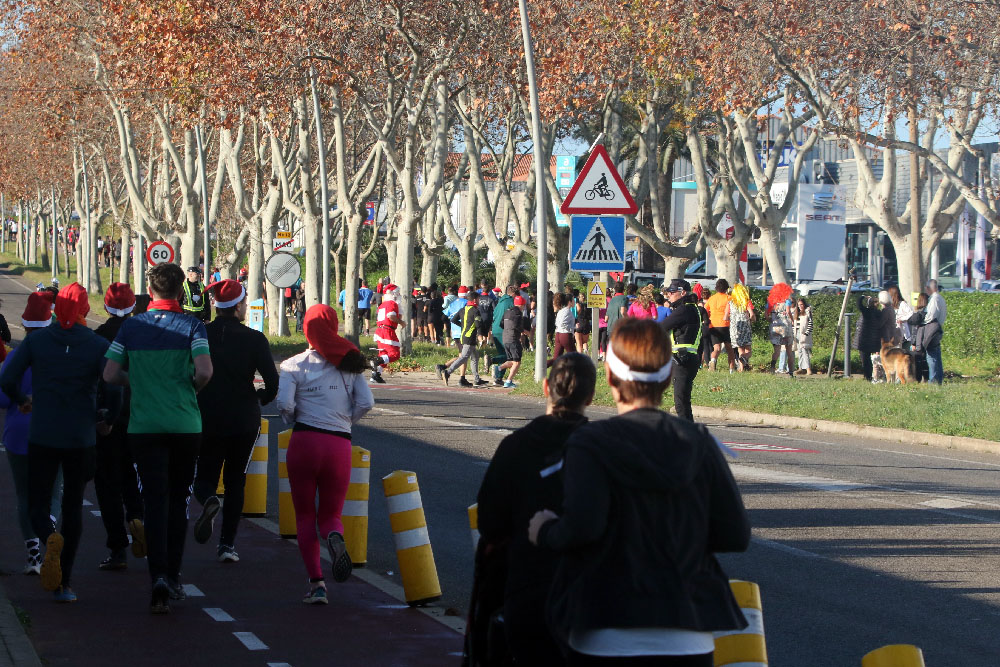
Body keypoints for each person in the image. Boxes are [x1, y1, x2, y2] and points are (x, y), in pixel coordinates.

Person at [527, 318, 751, 665]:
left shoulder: (591, 442)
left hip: (606, 626)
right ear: (667, 378)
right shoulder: (699, 442)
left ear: (612, 379)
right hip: (688, 633)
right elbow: (735, 534)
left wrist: (545, 531)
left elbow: (583, 527)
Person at [103, 263, 213, 614]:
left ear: (150, 292)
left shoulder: (132, 326)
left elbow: (109, 373)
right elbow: (205, 371)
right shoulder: (193, 326)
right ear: (181, 292)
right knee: (178, 499)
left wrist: (136, 382)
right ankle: (174, 575)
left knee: (153, 500)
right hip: (184, 424)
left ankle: (157, 577)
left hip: (144, 426)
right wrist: (188, 389)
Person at [0, 284, 120, 604]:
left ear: (56, 310)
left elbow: (6, 378)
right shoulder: (97, 344)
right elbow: (116, 384)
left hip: (43, 434)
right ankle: (65, 583)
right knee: (72, 507)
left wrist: (21, 399)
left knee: (38, 503)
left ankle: (48, 538)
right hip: (81, 437)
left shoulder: (38, 342)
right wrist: (107, 417)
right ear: (84, 310)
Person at [473, 353, 596, 664]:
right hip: (586, 596)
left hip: (525, 588)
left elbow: (490, 521)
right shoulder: (600, 448)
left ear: (545, 388)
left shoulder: (516, 446)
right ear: (591, 396)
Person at [278, 305, 374, 604]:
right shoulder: (350, 363)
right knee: (331, 514)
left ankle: (317, 584)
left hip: (304, 441)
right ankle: (334, 536)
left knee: (304, 515)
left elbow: (284, 404)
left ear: (306, 329)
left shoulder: (293, 364)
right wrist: (346, 421)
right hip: (338, 445)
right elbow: (366, 402)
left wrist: (294, 416)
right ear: (334, 327)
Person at [192, 279, 279, 563]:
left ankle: (208, 500)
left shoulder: (201, 334)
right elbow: (272, 380)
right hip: (244, 418)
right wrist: (262, 397)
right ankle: (227, 545)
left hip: (207, 416)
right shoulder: (254, 339)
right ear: (240, 306)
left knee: (203, 477)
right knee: (236, 481)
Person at [0, 292, 63, 577]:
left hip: (18, 433)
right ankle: (49, 531)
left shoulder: (14, 356)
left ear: (24, 325)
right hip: (53, 430)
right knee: (53, 491)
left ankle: (34, 555)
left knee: (24, 495)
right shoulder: (61, 354)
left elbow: (2, 397)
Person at [93, 283, 146, 571]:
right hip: (140, 415)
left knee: (107, 483)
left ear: (106, 306)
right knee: (132, 475)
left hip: (108, 418)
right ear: (133, 307)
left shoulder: (99, 337)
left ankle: (117, 546)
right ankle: (137, 516)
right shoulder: (142, 335)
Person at [659, 279, 705, 422]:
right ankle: (689, 431)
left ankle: (688, 433)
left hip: (682, 360)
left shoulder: (684, 310)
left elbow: (662, 327)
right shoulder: (692, 308)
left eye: (672, 292)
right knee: (683, 399)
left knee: (680, 401)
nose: (668, 295)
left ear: (682, 292)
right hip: (688, 357)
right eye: (667, 293)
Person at [439, 293, 486, 387]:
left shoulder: (462, 310)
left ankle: (477, 379)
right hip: (470, 337)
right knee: (464, 357)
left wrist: (463, 326)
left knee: (475, 357)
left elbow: (453, 320)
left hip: (464, 336)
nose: (479, 301)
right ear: (474, 300)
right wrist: (481, 336)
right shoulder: (475, 311)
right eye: (478, 299)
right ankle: (447, 372)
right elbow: (478, 325)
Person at [856, 292, 895, 382]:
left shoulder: (866, 312)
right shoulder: (879, 313)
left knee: (865, 360)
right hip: (873, 340)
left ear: (868, 304)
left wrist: (862, 297)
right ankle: (871, 377)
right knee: (870, 359)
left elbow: (859, 304)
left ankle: (868, 377)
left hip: (864, 339)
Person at [370, 284, 404, 384]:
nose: (399, 295)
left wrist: (399, 312)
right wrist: (401, 322)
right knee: (395, 354)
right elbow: (391, 316)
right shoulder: (392, 304)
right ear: (393, 294)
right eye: (397, 293)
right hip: (387, 331)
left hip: (381, 330)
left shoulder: (382, 305)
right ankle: (376, 361)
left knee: (384, 354)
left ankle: (375, 375)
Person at [494, 295, 526, 389]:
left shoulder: (507, 311)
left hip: (505, 338)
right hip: (513, 339)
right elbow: (517, 325)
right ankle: (508, 381)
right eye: (523, 305)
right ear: (521, 305)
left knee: (511, 360)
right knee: (517, 362)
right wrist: (524, 331)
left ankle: (498, 368)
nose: (524, 307)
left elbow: (501, 324)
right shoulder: (518, 313)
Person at [705, 279, 735, 372]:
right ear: (726, 288)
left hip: (713, 325)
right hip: (725, 325)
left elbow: (705, 311)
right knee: (730, 349)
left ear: (716, 288)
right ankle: (731, 370)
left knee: (716, 348)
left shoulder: (711, 298)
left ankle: (713, 361)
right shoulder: (728, 298)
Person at [907, 293, 937, 383]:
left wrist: (913, 343)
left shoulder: (918, 315)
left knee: (918, 361)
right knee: (926, 361)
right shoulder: (930, 315)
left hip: (918, 342)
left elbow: (914, 330)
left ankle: (918, 379)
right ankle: (927, 378)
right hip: (927, 341)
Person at [726, 284, 755, 372]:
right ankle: (744, 358)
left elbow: (726, 316)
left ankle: (741, 369)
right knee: (748, 350)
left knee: (740, 349)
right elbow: (752, 314)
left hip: (735, 329)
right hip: (745, 327)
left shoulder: (730, 302)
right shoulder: (746, 301)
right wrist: (752, 320)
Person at [923, 279, 946, 384]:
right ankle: (938, 379)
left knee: (931, 356)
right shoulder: (940, 298)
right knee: (936, 355)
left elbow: (931, 316)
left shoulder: (934, 299)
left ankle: (933, 380)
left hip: (933, 329)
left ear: (928, 288)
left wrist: (922, 319)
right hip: (938, 328)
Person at [548, 292, 576, 367]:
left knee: (556, 359)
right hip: (565, 335)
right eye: (573, 300)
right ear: (569, 302)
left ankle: (540, 367)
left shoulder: (561, 310)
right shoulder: (567, 311)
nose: (574, 302)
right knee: (575, 357)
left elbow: (558, 322)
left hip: (558, 334)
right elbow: (562, 322)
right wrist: (571, 327)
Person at [768, 299, 795, 376]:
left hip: (775, 328)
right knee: (789, 351)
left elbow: (766, 315)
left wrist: (771, 321)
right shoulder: (787, 301)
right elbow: (788, 311)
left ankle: (772, 368)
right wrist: (792, 320)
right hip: (785, 327)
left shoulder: (771, 302)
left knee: (776, 351)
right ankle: (791, 372)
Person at [794, 297, 813, 375]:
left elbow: (811, 324)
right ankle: (801, 368)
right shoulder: (797, 313)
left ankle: (808, 369)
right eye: (799, 305)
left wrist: (806, 334)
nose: (800, 306)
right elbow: (795, 325)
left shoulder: (807, 312)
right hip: (797, 333)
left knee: (805, 351)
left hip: (804, 334)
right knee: (800, 351)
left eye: (801, 304)